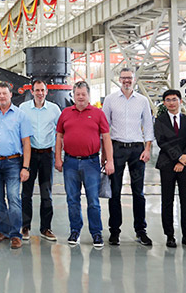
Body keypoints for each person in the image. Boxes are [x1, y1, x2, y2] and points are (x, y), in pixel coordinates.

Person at [55, 81, 114, 249]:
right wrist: (58, 158)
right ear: (73, 95)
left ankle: (96, 233)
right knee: (72, 200)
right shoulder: (65, 113)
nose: (80, 97)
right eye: (77, 94)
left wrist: (109, 160)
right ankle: (75, 230)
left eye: (83, 94)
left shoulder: (98, 114)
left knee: (93, 201)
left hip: (91, 163)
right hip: (70, 163)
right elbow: (59, 137)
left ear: (89, 95)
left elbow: (106, 138)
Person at [101, 68, 154, 247]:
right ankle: (114, 231)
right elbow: (105, 128)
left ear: (134, 79)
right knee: (114, 191)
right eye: (123, 78)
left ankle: (141, 231)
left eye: (129, 78)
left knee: (138, 192)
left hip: (137, 150)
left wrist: (147, 149)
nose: (126, 81)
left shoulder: (142, 101)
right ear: (119, 79)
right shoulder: (110, 100)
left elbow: (148, 125)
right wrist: (105, 155)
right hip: (116, 149)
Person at [0, 81, 32, 250]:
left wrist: (25, 167)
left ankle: (15, 235)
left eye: (5, 93)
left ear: (11, 95)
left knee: (14, 199)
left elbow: (26, 143)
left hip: (13, 162)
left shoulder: (20, 116)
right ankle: (3, 230)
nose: (2, 96)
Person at [154, 89, 186, 249]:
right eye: (168, 100)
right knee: (167, 201)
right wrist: (178, 157)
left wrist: (183, 159)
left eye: (174, 99)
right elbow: (162, 141)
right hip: (167, 165)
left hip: (185, 165)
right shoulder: (160, 121)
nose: (171, 103)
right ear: (164, 103)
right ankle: (170, 235)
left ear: (180, 101)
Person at [19, 79, 61, 242]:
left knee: (46, 193)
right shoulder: (23, 109)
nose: (40, 93)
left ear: (47, 92)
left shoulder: (54, 109)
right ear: (32, 92)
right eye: (37, 90)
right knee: (26, 193)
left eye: (42, 90)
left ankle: (46, 228)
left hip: (46, 156)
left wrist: (58, 156)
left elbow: (60, 132)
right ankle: (25, 226)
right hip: (29, 155)